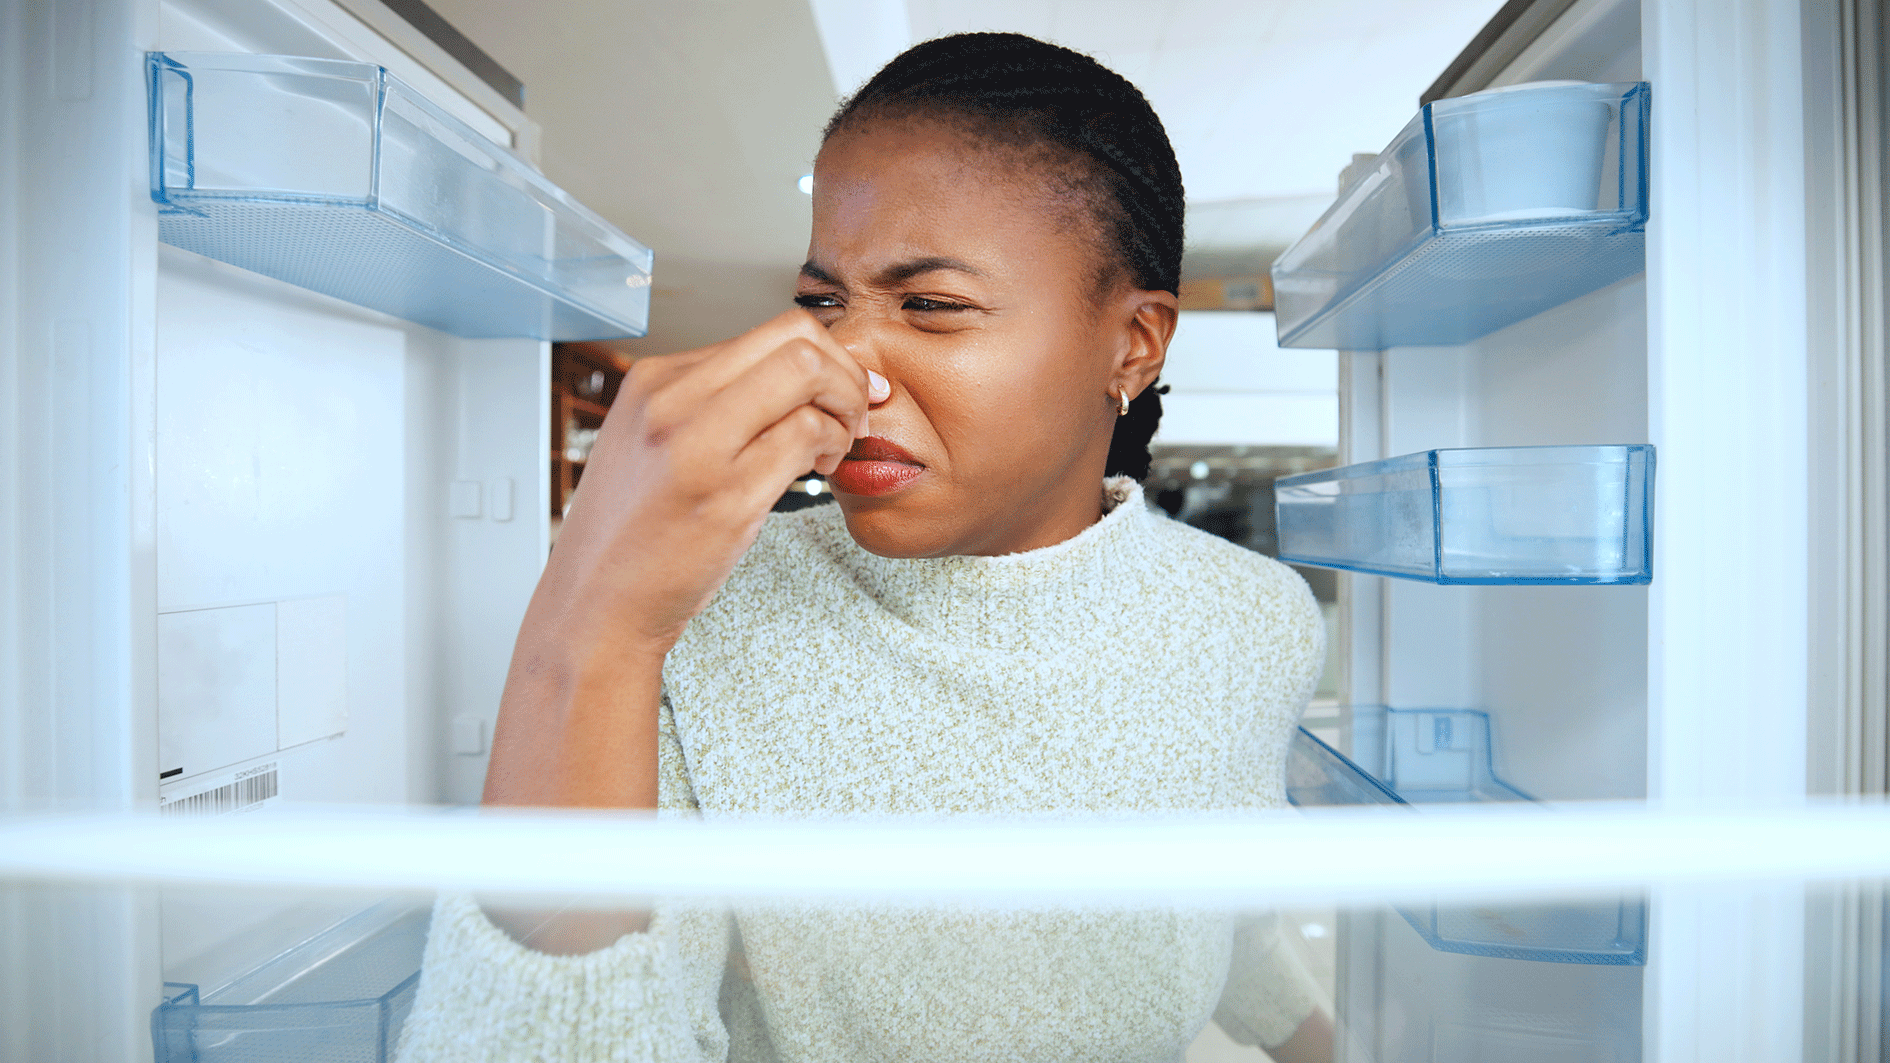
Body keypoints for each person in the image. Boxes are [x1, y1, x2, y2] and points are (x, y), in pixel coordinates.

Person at [398, 32, 1334, 1063]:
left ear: (1134, 343)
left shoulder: (1255, 620)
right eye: (822, 303)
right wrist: (593, 622)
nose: (846, 371)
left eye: (930, 306)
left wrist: (1325, 1041)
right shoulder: (701, 616)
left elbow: (1221, 903)